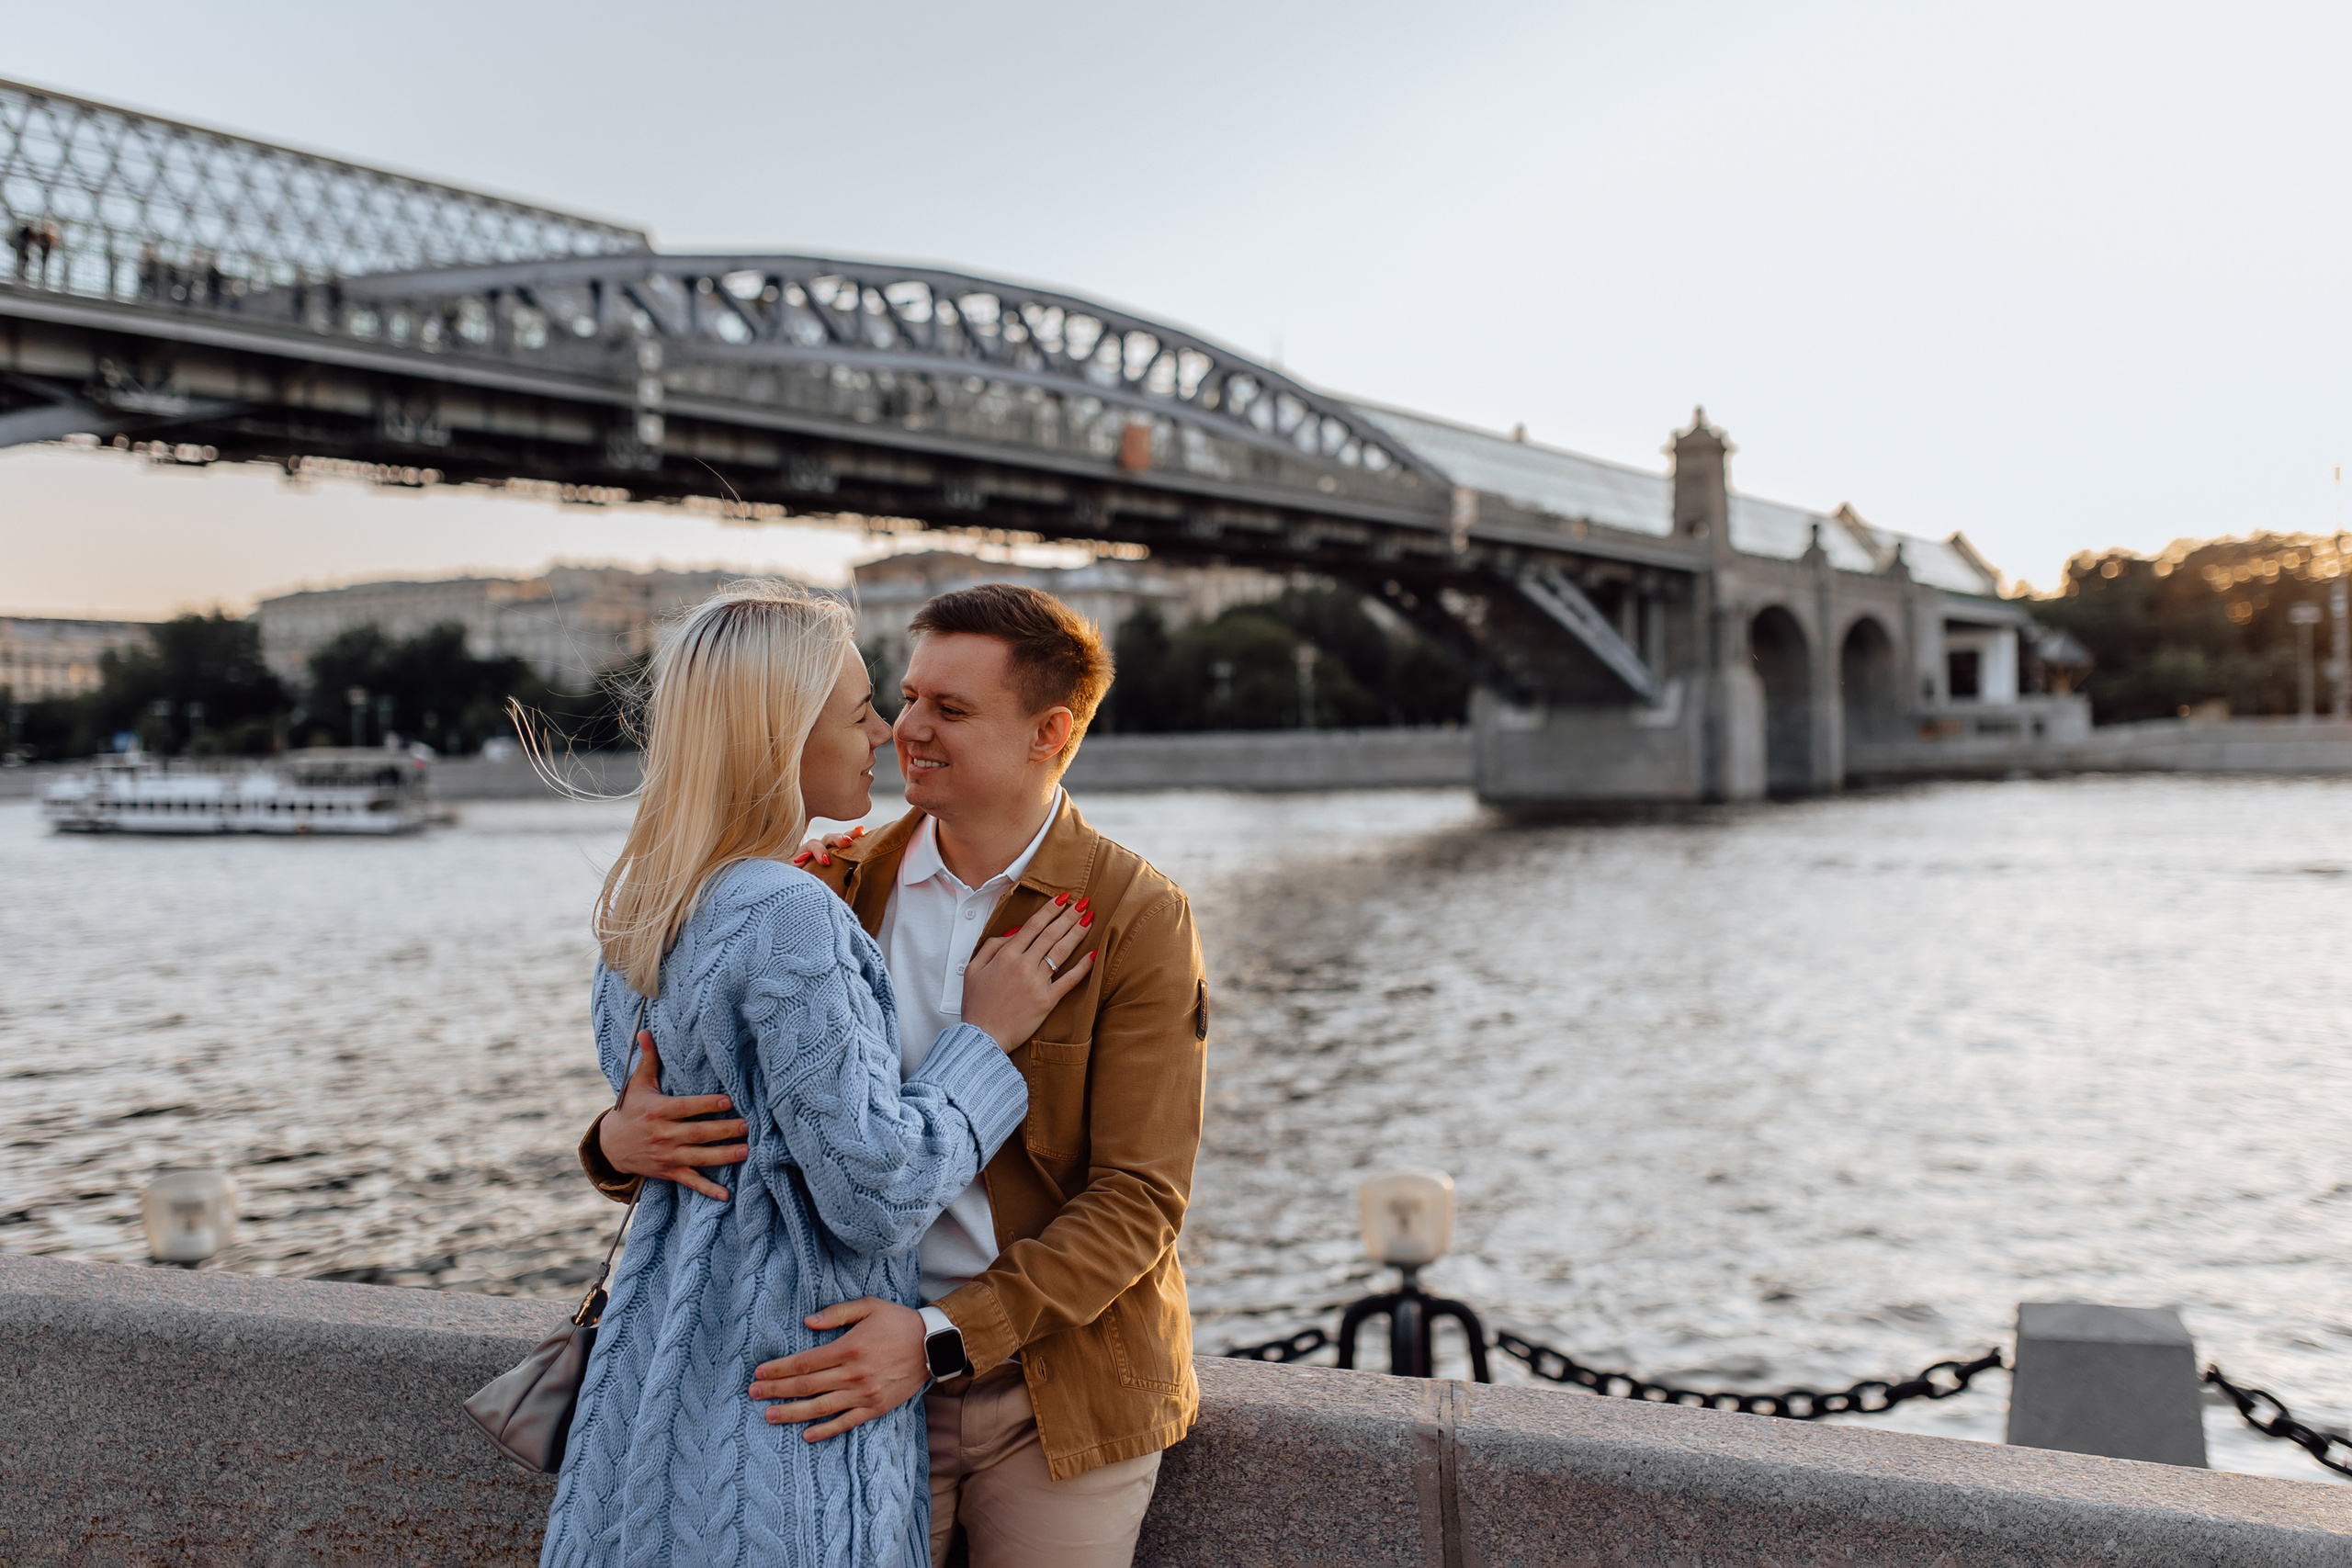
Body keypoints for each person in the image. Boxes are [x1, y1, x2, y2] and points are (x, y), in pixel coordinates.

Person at [582, 583, 1209, 1568]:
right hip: (836, 1371)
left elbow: (1139, 1201)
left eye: (948, 710)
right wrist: (615, 1141)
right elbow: (719, 1094)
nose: (904, 727)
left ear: (1050, 732)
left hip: (1051, 1389)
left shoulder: (1133, 915)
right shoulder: (825, 880)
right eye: (904, 696)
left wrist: (936, 1338)